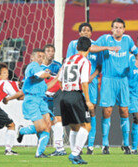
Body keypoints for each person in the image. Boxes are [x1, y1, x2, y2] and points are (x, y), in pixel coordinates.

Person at [93, 17, 138, 154]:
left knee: (124, 111)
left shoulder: (128, 40)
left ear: (124, 29)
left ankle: (126, 144)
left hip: (123, 80)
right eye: (115, 27)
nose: (118, 29)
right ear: (111, 29)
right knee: (107, 111)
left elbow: (137, 54)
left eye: (120, 27)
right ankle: (105, 144)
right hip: (108, 80)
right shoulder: (105, 39)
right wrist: (107, 48)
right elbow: (92, 48)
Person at [66, 22, 103, 155]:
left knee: (91, 112)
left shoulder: (96, 46)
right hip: (77, 84)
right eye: (83, 30)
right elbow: (68, 61)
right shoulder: (73, 44)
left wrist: (92, 76)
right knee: (77, 117)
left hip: (90, 83)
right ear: (80, 33)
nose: (86, 32)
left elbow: (100, 66)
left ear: (91, 33)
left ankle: (90, 145)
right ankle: (76, 148)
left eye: (88, 30)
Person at [16, 48, 59, 158]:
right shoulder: (33, 66)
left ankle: (39, 153)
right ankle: (22, 131)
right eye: (39, 56)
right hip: (32, 101)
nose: (41, 58)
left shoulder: (40, 70)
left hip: (41, 100)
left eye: (42, 57)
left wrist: (58, 77)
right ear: (32, 57)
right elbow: (41, 75)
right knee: (42, 127)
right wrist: (48, 74)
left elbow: (46, 87)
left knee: (48, 124)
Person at [59, 37, 93, 165]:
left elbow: (60, 79)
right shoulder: (85, 61)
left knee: (74, 127)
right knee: (86, 126)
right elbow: (84, 82)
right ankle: (74, 154)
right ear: (89, 48)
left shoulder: (67, 60)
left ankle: (75, 155)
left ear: (77, 47)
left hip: (64, 95)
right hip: (76, 95)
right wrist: (88, 101)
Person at [0, 62, 21, 155]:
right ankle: (8, 150)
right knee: (11, 125)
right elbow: (16, 95)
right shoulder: (5, 83)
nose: (7, 75)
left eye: (7, 73)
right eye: (4, 73)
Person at [41, 44, 67, 156]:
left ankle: (59, 147)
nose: (50, 53)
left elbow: (62, 79)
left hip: (56, 97)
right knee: (44, 124)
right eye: (48, 51)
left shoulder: (57, 66)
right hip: (43, 99)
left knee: (57, 121)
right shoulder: (37, 67)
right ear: (44, 53)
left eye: (52, 51)